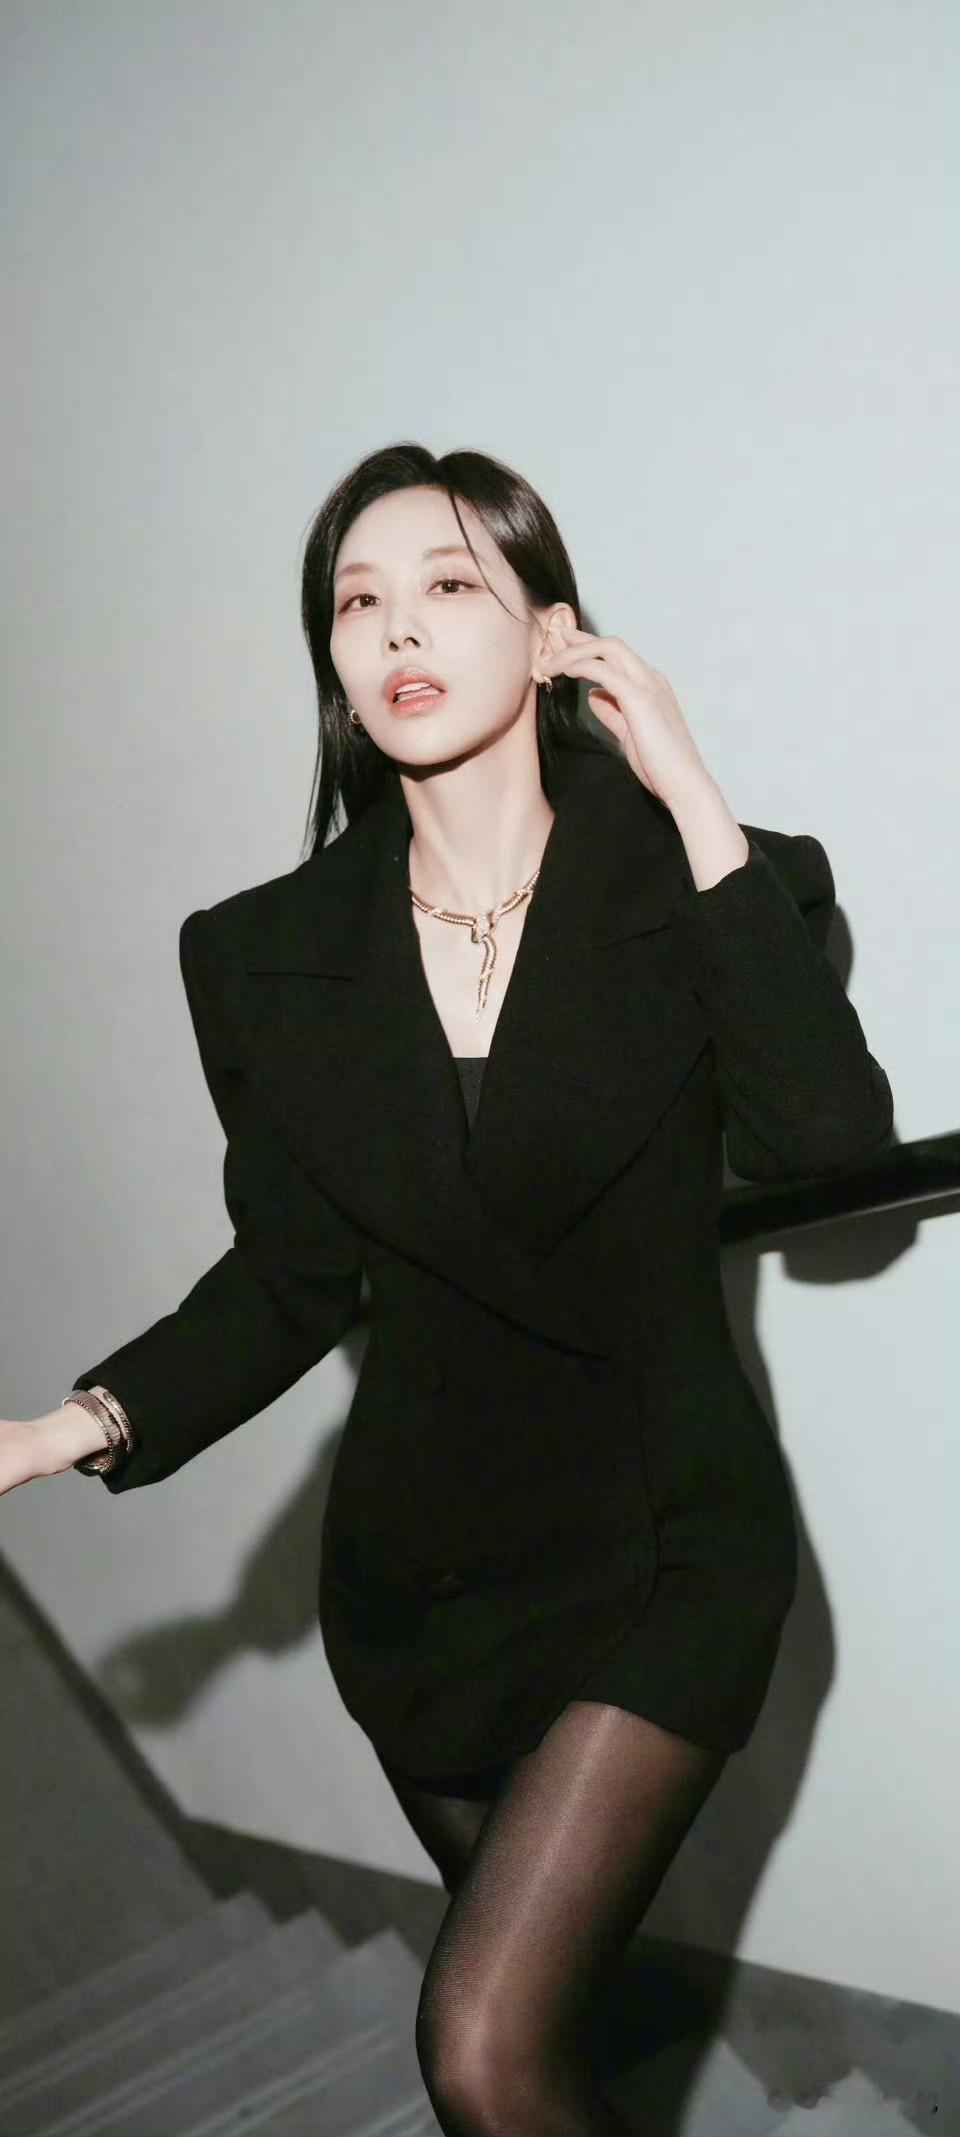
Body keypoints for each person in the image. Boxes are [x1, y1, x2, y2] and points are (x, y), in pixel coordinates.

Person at [3, 442, 894, 2135]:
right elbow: (286, 1279)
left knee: (481, 2046)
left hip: (667, 1546)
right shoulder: (262, 957)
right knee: (551, 2045)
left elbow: (827, 1137)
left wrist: (688, 791)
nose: (396, 625)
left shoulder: (713, 879)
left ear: (552, 631)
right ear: (334, 658)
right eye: (357, 600)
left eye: (449, 583)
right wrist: (70, 1427)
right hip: (429, 1588)